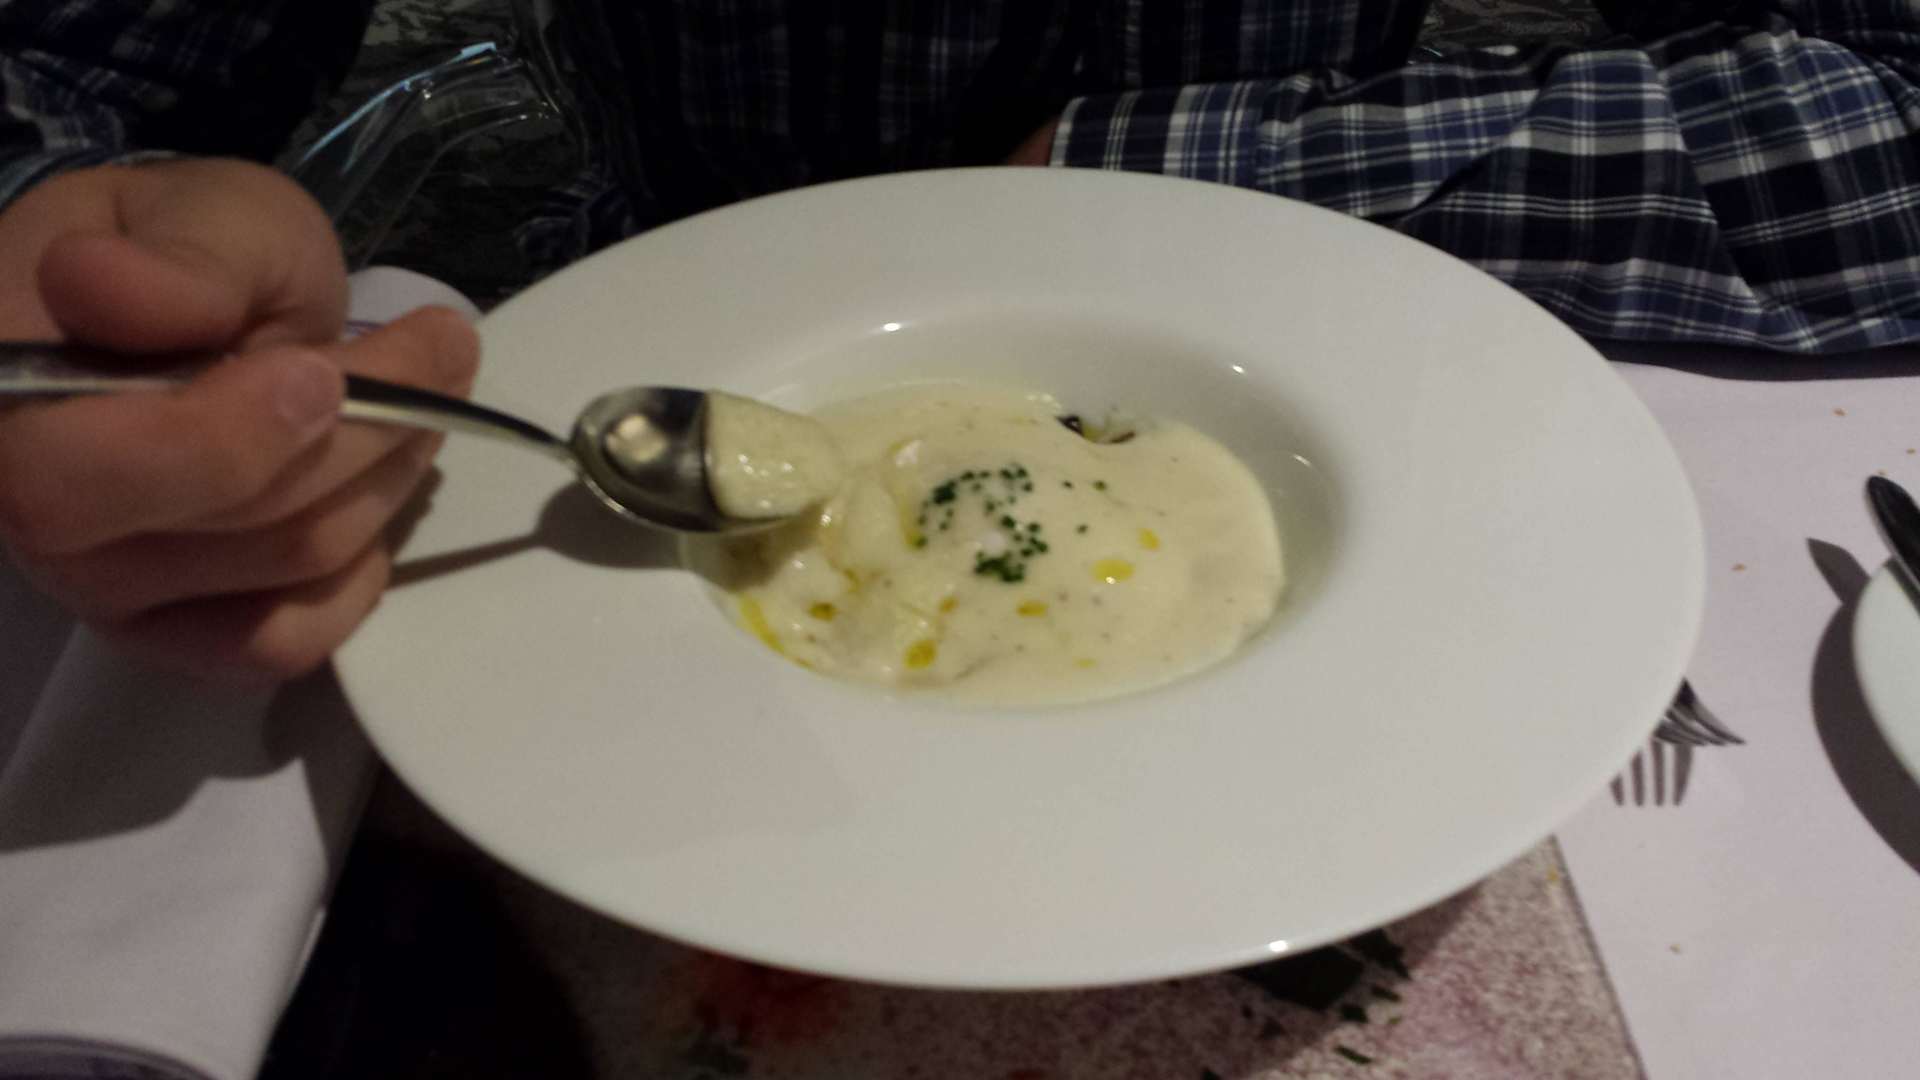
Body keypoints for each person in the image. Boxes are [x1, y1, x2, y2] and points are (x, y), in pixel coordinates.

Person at [2, 0, 1917, 677]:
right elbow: (71, 56)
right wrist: (51, 233)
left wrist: (1137, 175)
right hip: (639, 382)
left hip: (1339, 367)